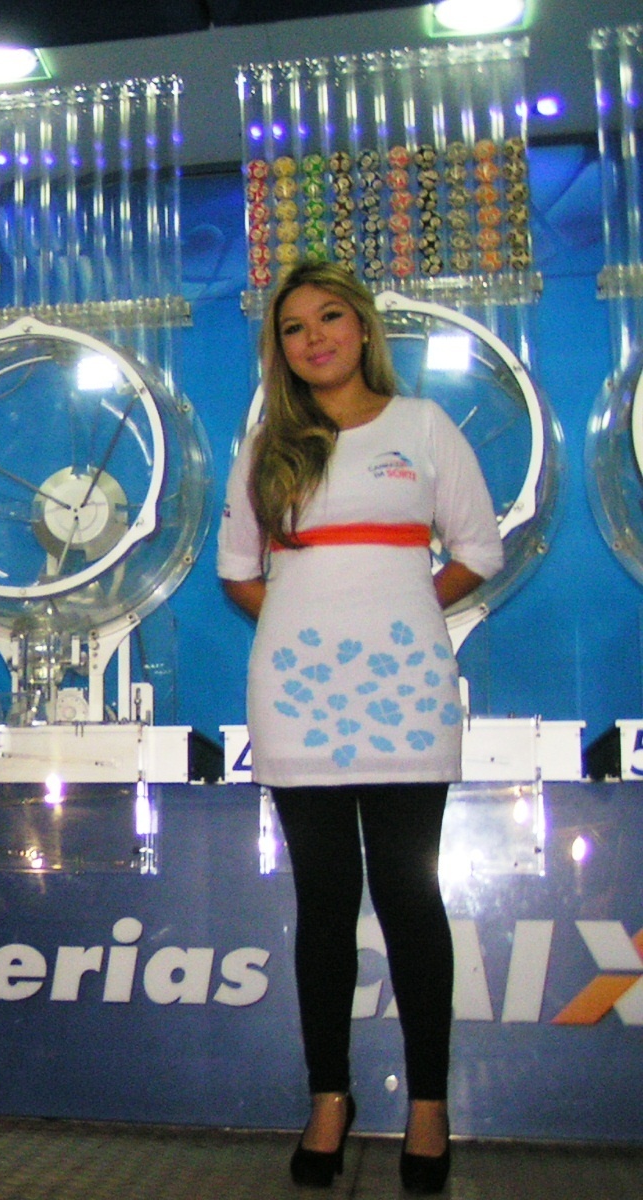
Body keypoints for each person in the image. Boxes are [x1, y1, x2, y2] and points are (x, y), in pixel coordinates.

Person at [217, 263, 503, 1194]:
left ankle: (429, 1106)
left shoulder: (422, 426)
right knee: (325, 905)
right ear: (280, 350)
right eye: (294, 328)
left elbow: (480, 548)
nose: (316, 338)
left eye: (330, 317)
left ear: (363, 326)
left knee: (412, 900)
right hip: (298, 696)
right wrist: (308, 629)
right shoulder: (266, 445)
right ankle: (328, 1099)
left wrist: (400, 613)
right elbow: (237, 570)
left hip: (406, 693)